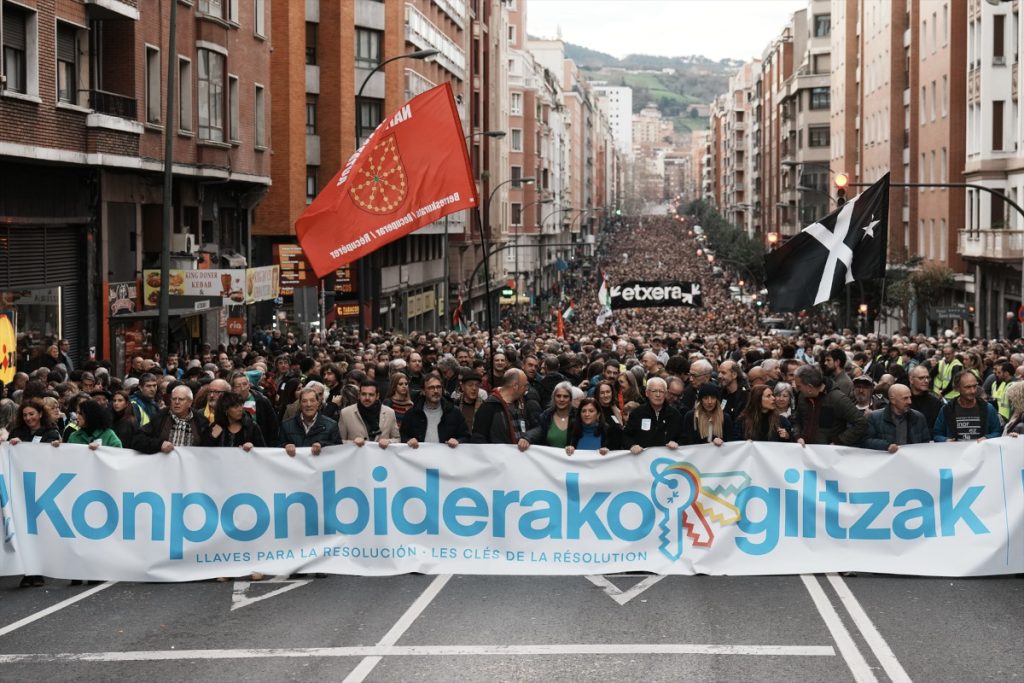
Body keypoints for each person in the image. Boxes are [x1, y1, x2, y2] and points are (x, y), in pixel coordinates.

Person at [792, 365, 867, 446]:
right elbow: (797, 419)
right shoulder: (802, 396)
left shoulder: (838, 399)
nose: (796, 388)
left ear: (810, 387)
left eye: (799, 386)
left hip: (828, 455)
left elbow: (861, 423)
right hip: (805, 452)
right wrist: (798, 436)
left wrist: (838, 442)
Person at [401, 372, 470, 449]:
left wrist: (458, 441)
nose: (436, 391)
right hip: (419, 458)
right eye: (431, 388)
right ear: (423, 391)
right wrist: (408, 440)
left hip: (446, 458)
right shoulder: (412, 413)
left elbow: (466, 436)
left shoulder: (454, 412)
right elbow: (402, 436)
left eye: (438, 387)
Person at [133, 385, 209, 454]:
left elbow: (207, 449)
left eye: (181, 399)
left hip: (189, 467)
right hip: (163, 466)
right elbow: (137, 440)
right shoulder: (159, 417)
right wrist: (159, 444)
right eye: (174, 399)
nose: (177, 402)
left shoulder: (201, 421)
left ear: (190, 402)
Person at [933, 370, 1002, 442]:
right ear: (957, 388)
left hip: (981, 452)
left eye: (975, 386)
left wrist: (987, 438)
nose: (973, 391)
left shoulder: (988, 408)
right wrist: (946, 440)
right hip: (955, 452)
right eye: (968, 387)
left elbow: (997, 432)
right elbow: (937, 434)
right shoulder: (947, 409)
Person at [471, 368, 531, 449]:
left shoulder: (523, 403)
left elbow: (535, 428)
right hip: (499, 459)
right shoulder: (489, 406)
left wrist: (527, 438)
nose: (527, 389)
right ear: (515, 386)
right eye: (525, 385)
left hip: (520, 458)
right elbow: (478, 438)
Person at [623, 377, 683, 454]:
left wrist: (677, 443)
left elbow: (683, 437)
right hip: (642, 460)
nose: (658, 395)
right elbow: (626, 436)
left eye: (661, 391)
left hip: (667, 460)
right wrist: (632, 445)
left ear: (665, 394)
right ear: (647, 393)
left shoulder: (675, 414)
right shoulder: (637, 413)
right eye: (654, 391)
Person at [864, 384, 931, 453]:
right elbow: (866, 441)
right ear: (893, 400)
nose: (910, 401)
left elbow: (926, 442)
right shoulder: (875, 417)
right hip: (887, 460)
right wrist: (886, 446)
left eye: (910, 397)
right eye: (905, 398)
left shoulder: (919, 417)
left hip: (912, 461)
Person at [280, 387, 341, 456]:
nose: (308, 404)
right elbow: (276, 449)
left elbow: (338, 450)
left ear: (318, 403)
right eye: (304, 401)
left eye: (312, 400)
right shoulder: (286, 425)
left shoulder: (331, 425)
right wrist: (285, 446)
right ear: (300, 404)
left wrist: (323, 445)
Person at [339, 379, 400, 448]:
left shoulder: (389, 413)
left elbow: (397, 439)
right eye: (363, 394)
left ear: (377, 396)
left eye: (371, 395)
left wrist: (389, 442)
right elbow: (339, 441)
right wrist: (353, 442)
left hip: (381, 456)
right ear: (359, 395)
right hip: (357, 457)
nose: (367, 398)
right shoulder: (346, 413)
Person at [229, 371, 278, 448]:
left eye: (245, 384)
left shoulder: (262, 400)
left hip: (260, 445)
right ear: (233, 388)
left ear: (249, 385)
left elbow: (273, 426)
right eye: (238, 385)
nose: (242, 388)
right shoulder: (228, 403)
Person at [526, 381, 576, 448]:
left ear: (570, 399)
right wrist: (527, 438)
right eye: (558, 396)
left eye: (565, 396)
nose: (561, 399)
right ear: (553, 397)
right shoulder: (546, 416)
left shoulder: (577, 416)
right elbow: (538, 430)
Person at [908, 365, 943, 430]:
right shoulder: (904, 400)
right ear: (911, 380)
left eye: (927, 377)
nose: (926, 381)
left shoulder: (935, 402)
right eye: (921, 378)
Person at [717, 360, 749, 424]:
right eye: (719, 372)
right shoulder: (719, 392)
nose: (719, 376)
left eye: (723, 373)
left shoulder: (746, 396)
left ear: (734, 375)